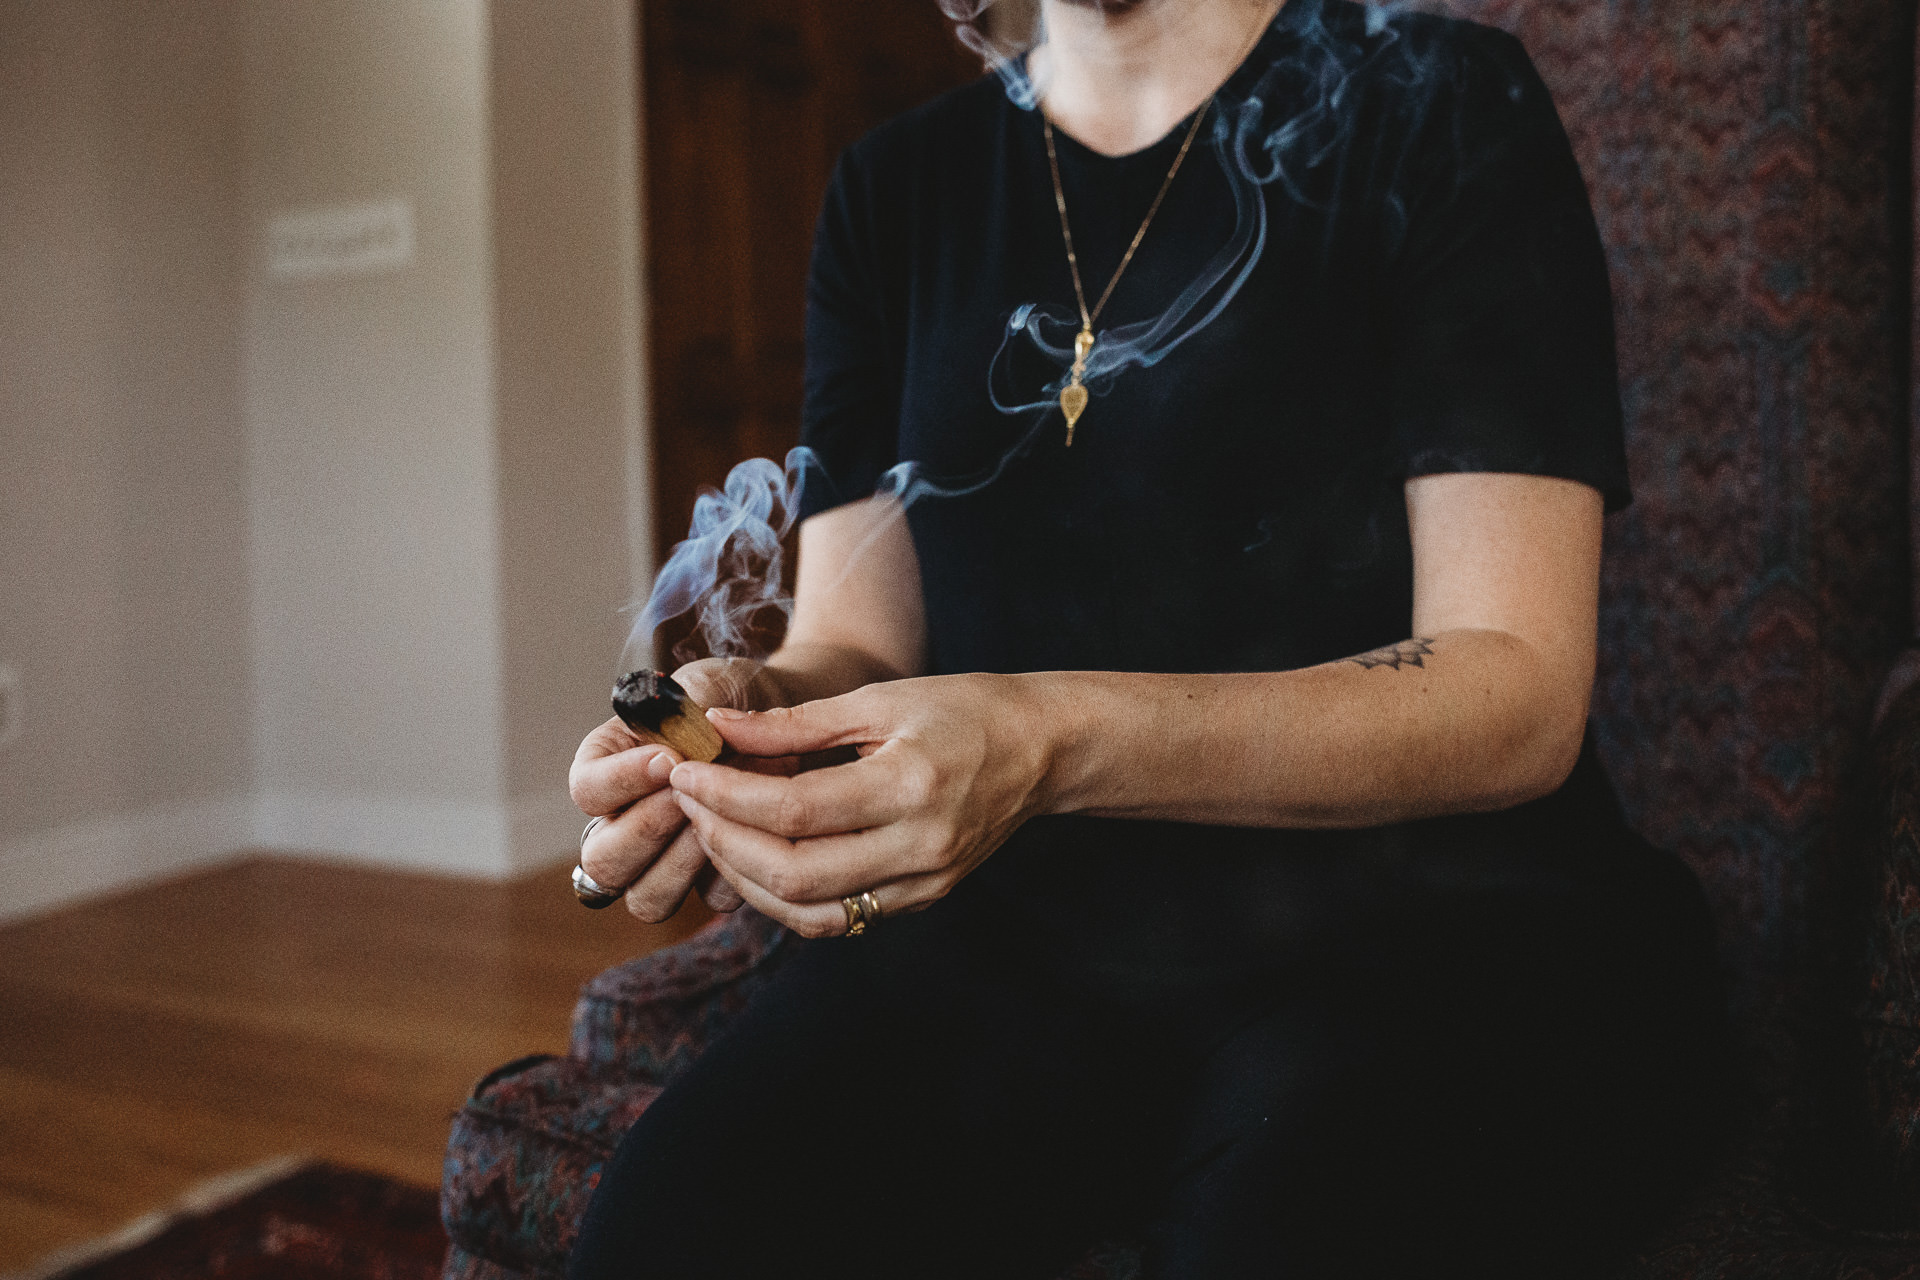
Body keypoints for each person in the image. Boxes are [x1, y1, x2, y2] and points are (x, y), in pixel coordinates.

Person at [566, 0, 1730, 1275]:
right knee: (667, 1231)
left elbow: (1518, 693)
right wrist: (754, 714)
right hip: (1033, 936)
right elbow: (857, 648)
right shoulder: (894, 190)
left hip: (1430, 933)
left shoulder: (1430, 98)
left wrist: (1051, 739)